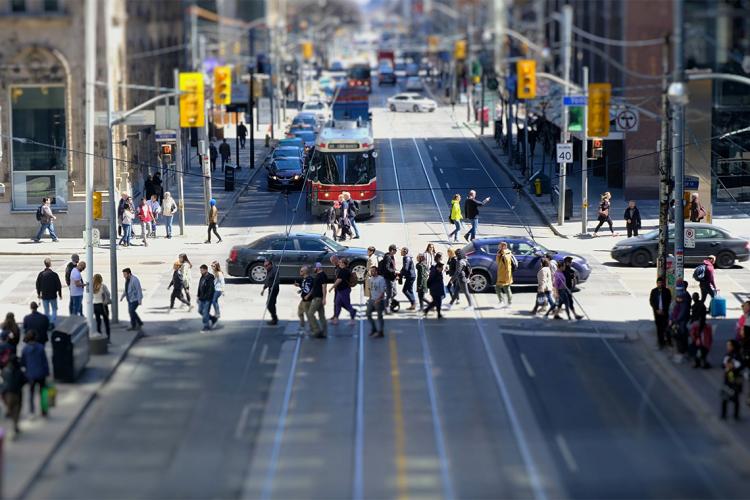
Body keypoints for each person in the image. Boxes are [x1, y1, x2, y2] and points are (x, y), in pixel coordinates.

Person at [21, 330, 49, 417]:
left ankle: (32, 411)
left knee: (31, 393)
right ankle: (44, 410)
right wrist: (47, 372)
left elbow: (23, 363)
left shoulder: (25, 349)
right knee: (43, 392)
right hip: (41, 373)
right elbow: (45, 361)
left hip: (30, 374)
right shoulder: (40, 347)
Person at [2, 353, 26, 438]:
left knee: (10, 409)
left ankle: (9, 418)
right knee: (16, 411)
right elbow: (24, 380)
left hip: (7, 393)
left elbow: (3, 379)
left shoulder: (5, 370)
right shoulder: (19, 371)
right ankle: (14, 427)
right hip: (17, 393)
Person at [36, 258, 62, 328]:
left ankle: (47, 322)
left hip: (44, 295)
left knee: (46, 311)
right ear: (50, 264)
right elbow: (58, 285)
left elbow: (37, 285)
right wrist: (60, 294)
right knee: (54, 309)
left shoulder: (41, 274)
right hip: (53, 295)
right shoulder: (54, 274)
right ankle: (52, 322)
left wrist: (38, 294)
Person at [330, 258, 357, 325]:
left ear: (343, 263)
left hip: (344, 290)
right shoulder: (343, 270)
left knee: (347, 304)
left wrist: (332, 287)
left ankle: (352, 319)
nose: (339, 263)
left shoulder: (344, 271)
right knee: (337, 303)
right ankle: (336, 319)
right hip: (340, 290)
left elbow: (339, 280)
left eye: (340, 262)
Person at [721, 340, 742, 420]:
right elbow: (723, 365)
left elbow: (740, 365)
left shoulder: (738, 356)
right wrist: (726, 366)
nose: (728, 347)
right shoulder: (727, 355)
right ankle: (724, 414)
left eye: (729, 345)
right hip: (727, 379)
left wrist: (732, 366)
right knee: (725, 397)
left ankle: (736, 415)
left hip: (736, 380)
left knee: (735, 398)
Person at [306, 262, 328, 338]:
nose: (313, 269)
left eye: (314, 268)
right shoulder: (318, 275)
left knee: (310, 313)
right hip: (317, 298)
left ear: (318, 268)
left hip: (318, 299)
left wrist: (324, 298)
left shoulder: (322, 276)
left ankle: (316, 330)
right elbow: (314, 287)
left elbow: (324, 287)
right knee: (321, 316)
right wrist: (308, 295)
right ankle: (324, 332)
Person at [649, 277, 672, 349]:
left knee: (666, 327)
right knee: (659, 328)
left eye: (661, 283)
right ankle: (660, 342)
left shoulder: (667, 291)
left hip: (664, 312)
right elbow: (651, 301)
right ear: (657, 283)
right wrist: (656, 310)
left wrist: (664, 310)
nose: (660, 284)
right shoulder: (654, 291)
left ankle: (669, 341)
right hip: (657, 313)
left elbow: (669, 301)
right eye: (659, 283)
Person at [690, 297, 712, 369]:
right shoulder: (698, 326)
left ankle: (701, 362)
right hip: (700, 341)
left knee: (701, 352)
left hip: (703, 342)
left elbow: (709, 337)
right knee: (697, 351)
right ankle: (699, 362)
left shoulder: (705, 327)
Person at [366, 266, 386, 337]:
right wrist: (370, 298)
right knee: (368, 314)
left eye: (373, 271)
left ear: (376, 271)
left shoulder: (381, 279)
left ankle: (381, 332)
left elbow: (383, 292)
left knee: (379, 316)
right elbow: (371, 290)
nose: (372, 272)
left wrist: (378, 300)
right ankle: (374, 329)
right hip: (372, 300)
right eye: (371, 271)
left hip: (379, 301)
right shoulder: (370, 279)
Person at [197, 264, 218, 332]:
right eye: (200, 270)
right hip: (201, 298)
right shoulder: (202, 276)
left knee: (205, 312)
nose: (201, 272)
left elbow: (211, 289)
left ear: (206, 270)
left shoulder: (210, 277)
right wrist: (198, 296)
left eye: (202, 270)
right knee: (200, 311)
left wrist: (208, 298)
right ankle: (213, 319)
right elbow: (200, 286)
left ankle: (206, 327)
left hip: (207, 299)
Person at [379, 244, 398, 313]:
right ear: (392, 250)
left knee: (394, 292)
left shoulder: (391, 256)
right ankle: (387, 307)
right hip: (389, 278)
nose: (396, 251)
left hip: (392, 277)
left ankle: (386, 303)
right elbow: (386, 268)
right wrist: (394, 271)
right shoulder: (388, 257)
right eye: (395, 250)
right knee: (390, 293)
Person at [91, 274, 111, 341]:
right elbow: (108, 294)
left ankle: (99, 335)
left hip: (95, 305)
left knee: (98, 321)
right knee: (106, 321)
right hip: (102, 306)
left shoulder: (92, 287)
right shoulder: (103, 286)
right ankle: (108, 337)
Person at [495, 242, 515, 308]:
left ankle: (503, 302)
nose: (498, 247)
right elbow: (498, 263)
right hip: (502, 274)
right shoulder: (501, 253)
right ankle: (509, 302)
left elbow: (508, 267)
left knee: (499, 287)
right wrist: (498, 256)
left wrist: (507, 277)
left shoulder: (506, 255)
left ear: (503, 246)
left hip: (504, 275)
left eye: (500, 246)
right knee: (506, 288)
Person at [295, 266, 314, 332]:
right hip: (303, 299)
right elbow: (305, 288)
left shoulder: (309, 279)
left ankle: (313, 328)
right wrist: (299, 287)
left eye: (301, 271)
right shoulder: (304, 279)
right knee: (300, 312)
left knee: (309, 315)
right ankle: (302, 325)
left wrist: (308, 296)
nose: (300, 272)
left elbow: (312, 289)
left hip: (307, 301)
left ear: (305, 272)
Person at [261, 260, 280, 326]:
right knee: (269, 304)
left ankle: (274, 319)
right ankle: (274, 318)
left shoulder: (274, 271)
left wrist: (273, 287)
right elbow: (268, 280)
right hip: (270, 288)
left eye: (266, 266)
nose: (265, 267)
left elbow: (276, 280)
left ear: (270, 265)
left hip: (274, 289)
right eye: (264, 266)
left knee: (270, 304)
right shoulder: (269, 270)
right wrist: (263, 289)